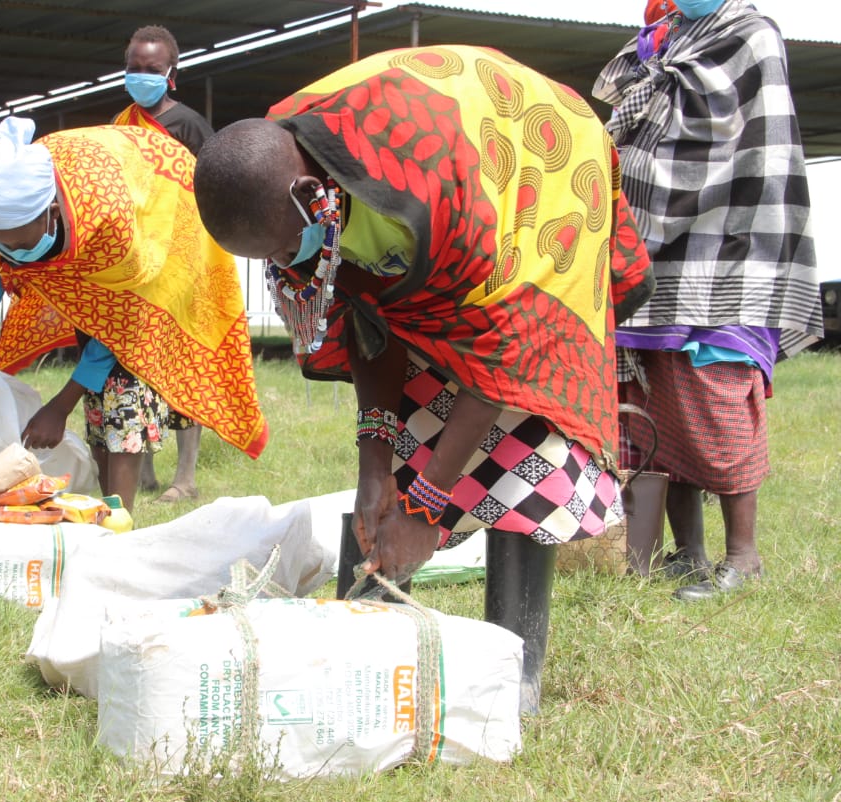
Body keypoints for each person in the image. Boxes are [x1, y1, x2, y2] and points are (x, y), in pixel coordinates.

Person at [194, 45, 655, 714]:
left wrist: (430, 506)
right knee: (414, 409)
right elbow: (370, 318)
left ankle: (514, 664)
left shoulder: (448, 188)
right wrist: (376, 467)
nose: (285, 268)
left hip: (533, 165)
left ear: (309, 193)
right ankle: (368, 637)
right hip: (434, 220)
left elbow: (501, 359)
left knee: (526, 437)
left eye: (279, 248)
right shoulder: (285, 173)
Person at [0, 116, 268, 512]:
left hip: (162, 212)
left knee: (123, 387)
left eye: (22, 244)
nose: (15, 258)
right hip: (90, 242)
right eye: (4, 247)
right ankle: (104, 512)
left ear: (52, 213)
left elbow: (121, 328)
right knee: (98, 394)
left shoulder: (110, 227)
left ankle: (117, 524)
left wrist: (59, 407)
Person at [593, 0, 821, 601]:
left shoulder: (751, 35)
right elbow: (631, 112)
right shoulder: (667, 36)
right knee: (656, 408)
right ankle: (688, 555)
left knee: (715, 403)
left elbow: (745, 143)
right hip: (652, 258)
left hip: (723, 251)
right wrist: (651, 52)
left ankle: (743, 558)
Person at [113, 24, 216, 504]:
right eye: (134, 68)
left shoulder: (190, 126)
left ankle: (186, 477)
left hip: (182, 262)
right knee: (140, 369)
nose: (141, 76)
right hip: (136, 268)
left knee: (182, 367)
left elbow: (211, 188)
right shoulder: (119, 124)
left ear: (170, 73)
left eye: (151, 70)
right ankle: (146, 470)